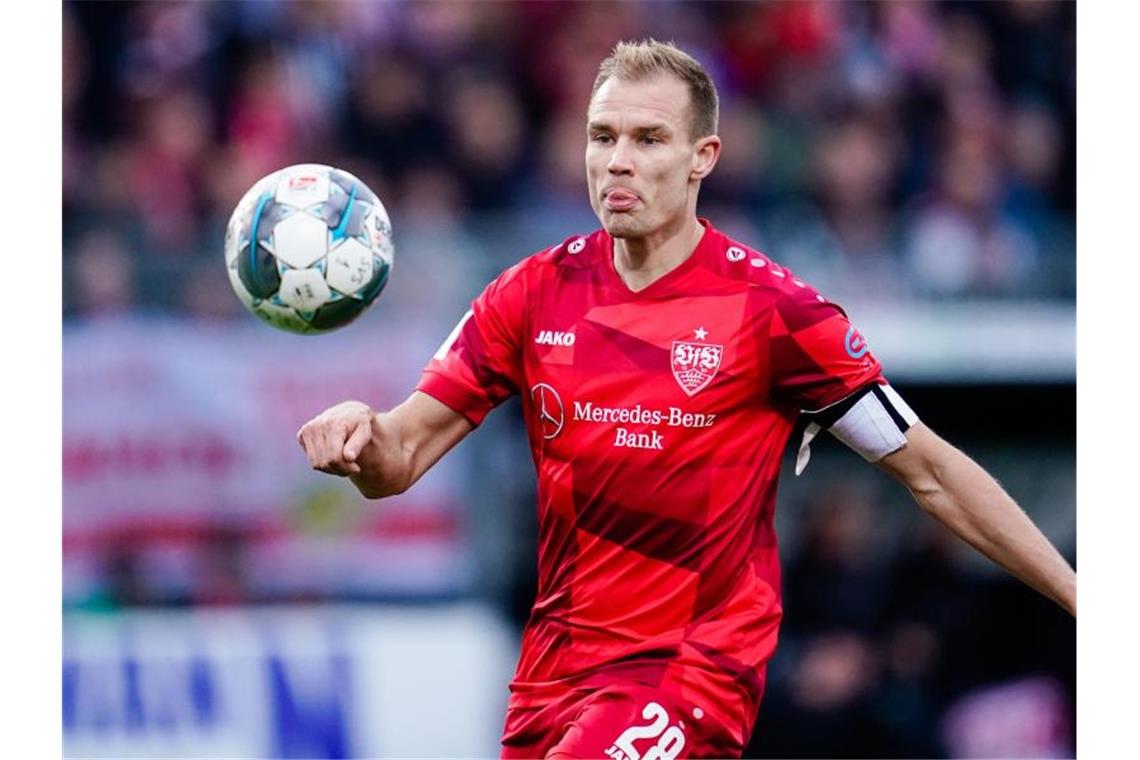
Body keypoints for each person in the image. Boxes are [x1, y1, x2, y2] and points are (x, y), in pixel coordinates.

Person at [297, 40, 1075, 759]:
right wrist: (359, 433)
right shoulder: (528, 296)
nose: (618, 163)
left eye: (648, 139)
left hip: (688, 674)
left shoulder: (774, 313)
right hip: (552, 678)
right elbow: (398, 457)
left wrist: (1084, 601)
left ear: (703, 158)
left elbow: (932, 472)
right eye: (602, 138)